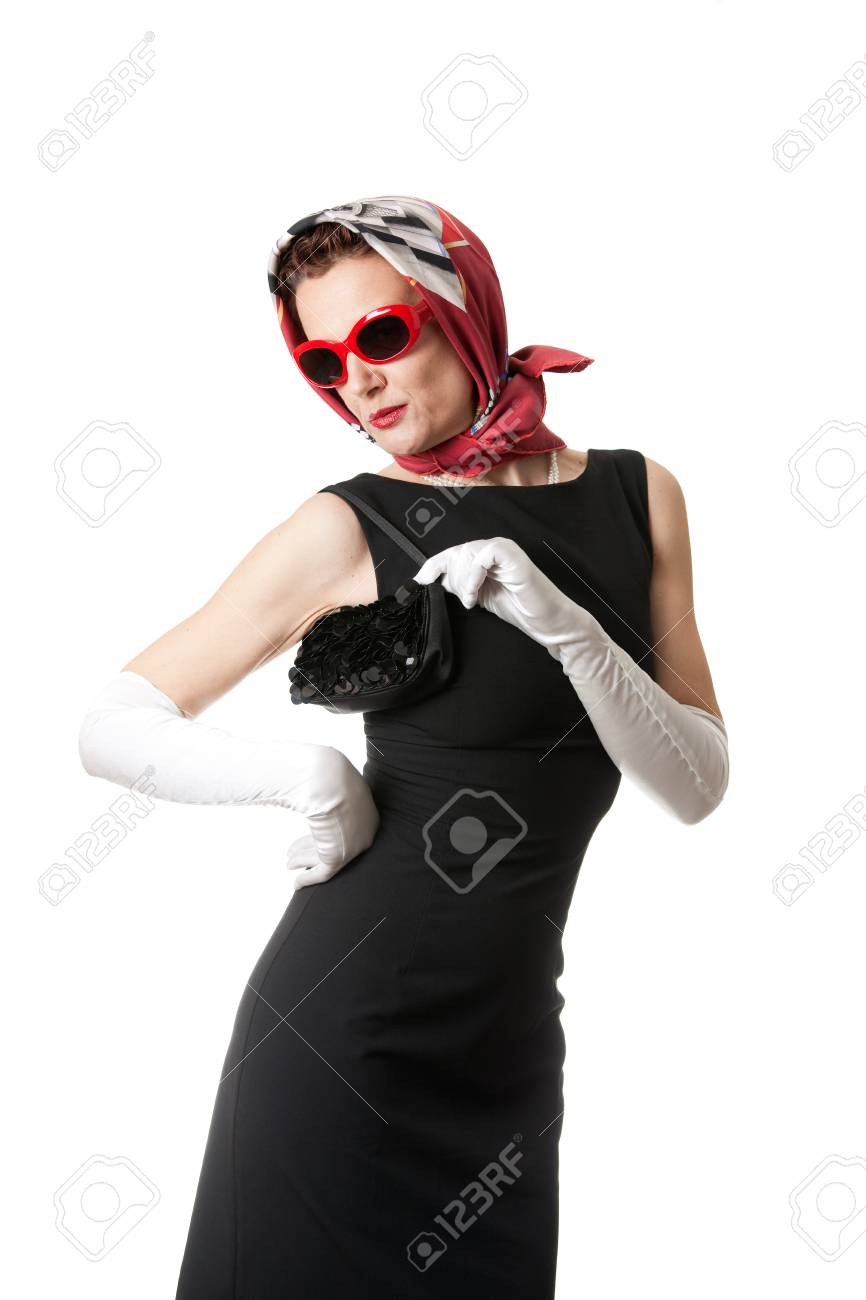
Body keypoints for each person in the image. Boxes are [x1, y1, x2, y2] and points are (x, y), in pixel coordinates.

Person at [77, 195, 728, 1298]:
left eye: (382, 335)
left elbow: (697, 783)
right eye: (324, 361)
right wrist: (306, 775)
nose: (359, 382)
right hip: (341, 1033)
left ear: (461, 312)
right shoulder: (350, 521)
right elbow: (111, 722)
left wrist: (568, 628)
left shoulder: (638, 493)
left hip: (508, 1049)